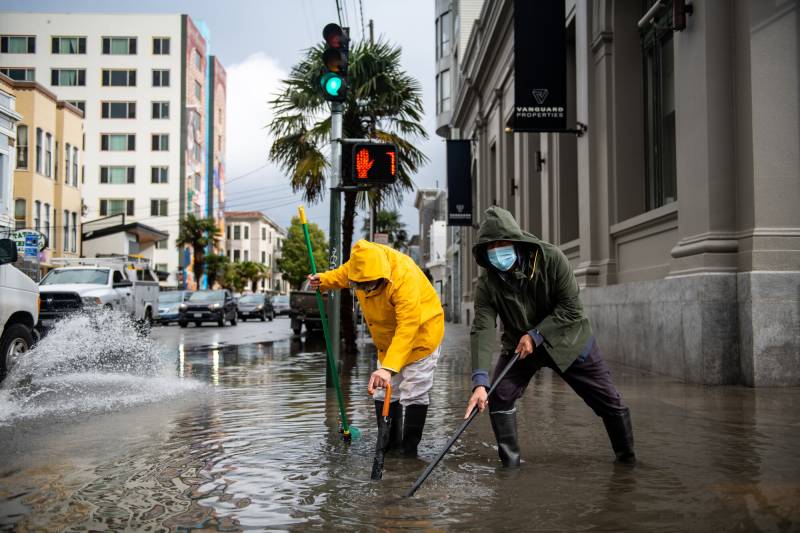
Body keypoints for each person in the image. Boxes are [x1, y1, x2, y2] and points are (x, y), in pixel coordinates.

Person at [464, 206, 635, 467]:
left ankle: (627, 460)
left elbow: (572, 309)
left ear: (516, 240)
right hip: (520, 348)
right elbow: (483, 327)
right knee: (499, 394)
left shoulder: (552, 258)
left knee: (609, 401)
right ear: (484, 251)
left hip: (569, 341)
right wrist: (479, 382)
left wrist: (536, 334)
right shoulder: (488, 283)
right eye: (492, 246)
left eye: (503, 243)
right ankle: (510, 464)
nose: (499, 250)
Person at [309, 239, 444, 456]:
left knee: (414, 392)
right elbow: (342, 275)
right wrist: (322, 280)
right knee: (383, 392)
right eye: (358, 286)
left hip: (421, 336)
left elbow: (408, 326)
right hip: (387, 341)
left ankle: (408, 452)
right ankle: (388, 447)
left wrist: (388, 368)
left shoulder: (403, 275)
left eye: (368, 286)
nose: (364, 290)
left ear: (382, 277)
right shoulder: (359, 269)